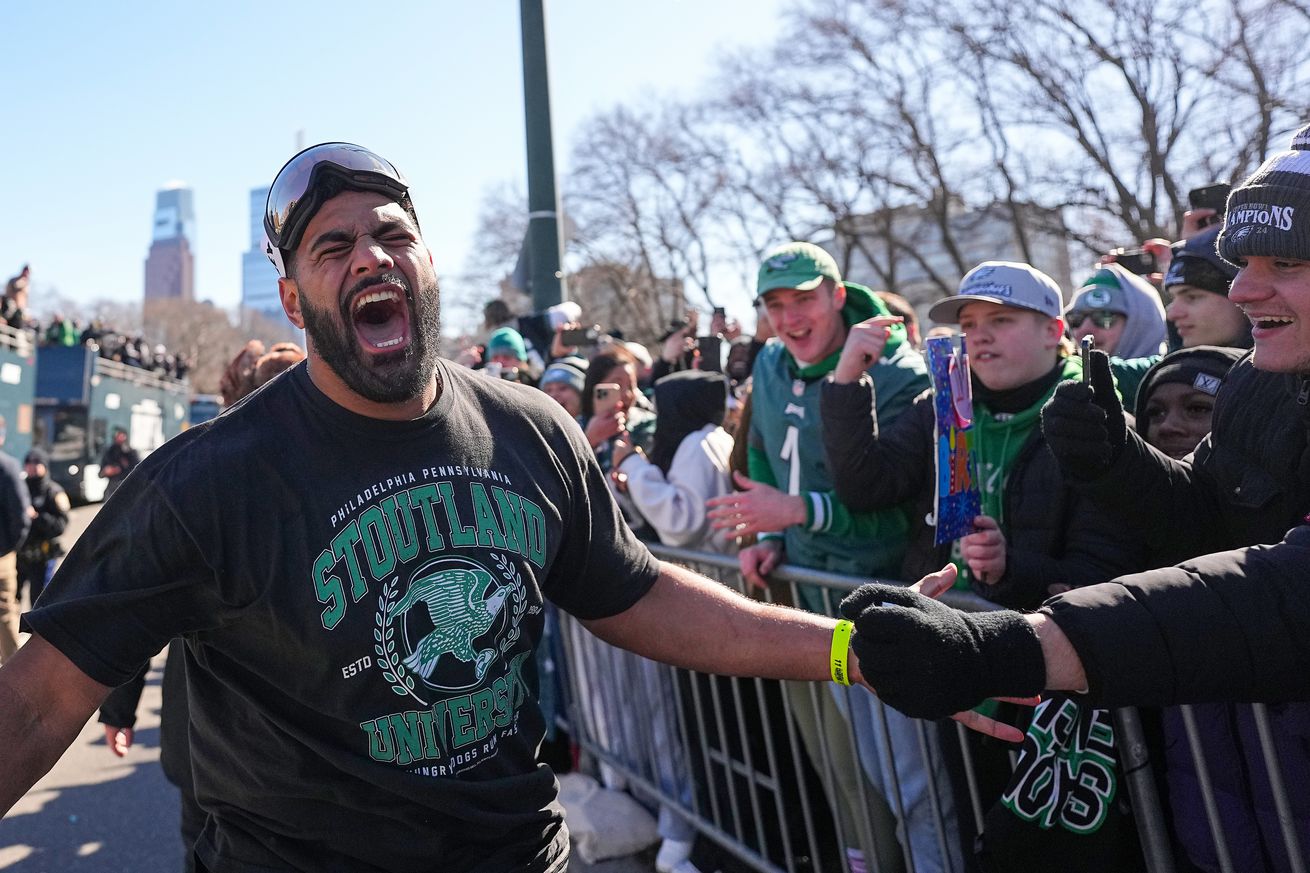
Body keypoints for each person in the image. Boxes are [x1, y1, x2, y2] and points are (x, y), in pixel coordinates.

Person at [0, 142, 963, 873]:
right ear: (294, 302)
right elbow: (38, 705)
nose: (371, 257)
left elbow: (637, 594)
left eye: (392, 235)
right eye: (333, 247)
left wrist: (843, 647)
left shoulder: (528, 429)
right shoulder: (204, 480)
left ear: (426, 267)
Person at [850, 123, 1310, 871]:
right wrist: (1117, 460)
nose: (1244, 288)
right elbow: (1205, 522)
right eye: (1242, 262)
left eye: (1284, 262)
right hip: (1239, 776)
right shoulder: (1260, 382)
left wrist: (1017, 646)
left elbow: (1284, 591)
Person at [820, 260, 1141, 868]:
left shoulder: (1092, 416)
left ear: (1055, 330)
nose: (980, 336)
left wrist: (1011, 567)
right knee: (972, 830)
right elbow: (867, 487)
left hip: (1049, 680)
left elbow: (1108, 566)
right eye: (969, 323)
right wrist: (846, 379)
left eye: (1002, 319)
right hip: (955, 661)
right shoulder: (941, 404)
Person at [707, 241, 951, 873]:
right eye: (775, 305)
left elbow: (891, 502)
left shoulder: (900, 374)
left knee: (917, 788)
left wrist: (797, 513)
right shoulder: (768, 359)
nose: (790, 319)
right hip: (815, 603)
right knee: (867, 776)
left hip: (885, 599)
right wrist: (769, 539)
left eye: (805, 300)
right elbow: (759, 450)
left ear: (837, 296)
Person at [1063, 263, 1168, 408]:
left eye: (1104, 317)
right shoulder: (1066, 386)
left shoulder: (1175, 377)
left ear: (1142, 323)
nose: (1085, 329)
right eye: (1076, 319)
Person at [1163, 225, 1252, 350]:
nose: (1172, 314)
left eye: (1192, 297)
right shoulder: (1161, 366)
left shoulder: (1283, 367)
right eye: (1173, 298)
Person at [16, 448, 68, 610]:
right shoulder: (19, 488)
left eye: (36, 463)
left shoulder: (53, 491)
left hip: (42, 557)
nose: (31, 467)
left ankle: (36, 634)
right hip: (19, 554)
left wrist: (37, 517)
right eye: (28, 463)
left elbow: (60, 526)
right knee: (10, 597)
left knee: (39, 602)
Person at [0, 416, 31, 665]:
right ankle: (14, 675)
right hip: (2, 556)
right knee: (4, 613)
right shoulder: (7, 467)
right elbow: (21, 518)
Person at [97, 427, 140, 500]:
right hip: (112, 488)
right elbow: (100, 474)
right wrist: (107, 471)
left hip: (127, 488)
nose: (120, 439)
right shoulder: (109, 452)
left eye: (122, 436)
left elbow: (137, 470)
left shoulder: (131, 453)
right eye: (118, 436)